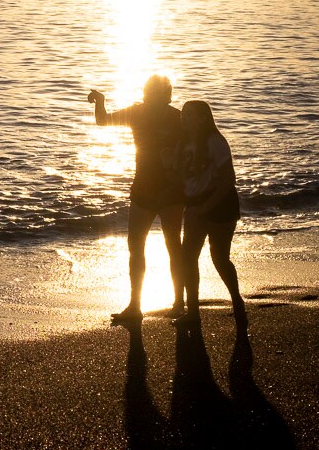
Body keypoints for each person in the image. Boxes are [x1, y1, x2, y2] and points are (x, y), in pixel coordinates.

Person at [88, 75, 185, 324]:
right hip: (145, 188)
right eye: (153, 93)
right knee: (137, 247)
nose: (156, 98)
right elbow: (103, 121)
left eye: (160, 94)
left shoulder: (177, 119)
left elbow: (193, 150)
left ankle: (178, 303)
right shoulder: (139, 113)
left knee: (172, 245)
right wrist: (101, 100)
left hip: (171, 190)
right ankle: (136, 305)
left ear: (167, 95)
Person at [176, 100, 245, 329]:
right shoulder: (183, 143)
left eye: (191, 115)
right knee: (187, 258)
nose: (185, 119)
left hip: (221, 205)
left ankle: (236, 300)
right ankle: (193, 312)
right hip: (195, 206)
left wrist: (206, 207)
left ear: (204, 118)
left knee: (220, 259)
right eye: (183, 115)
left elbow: (228, 181)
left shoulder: (216, 142)